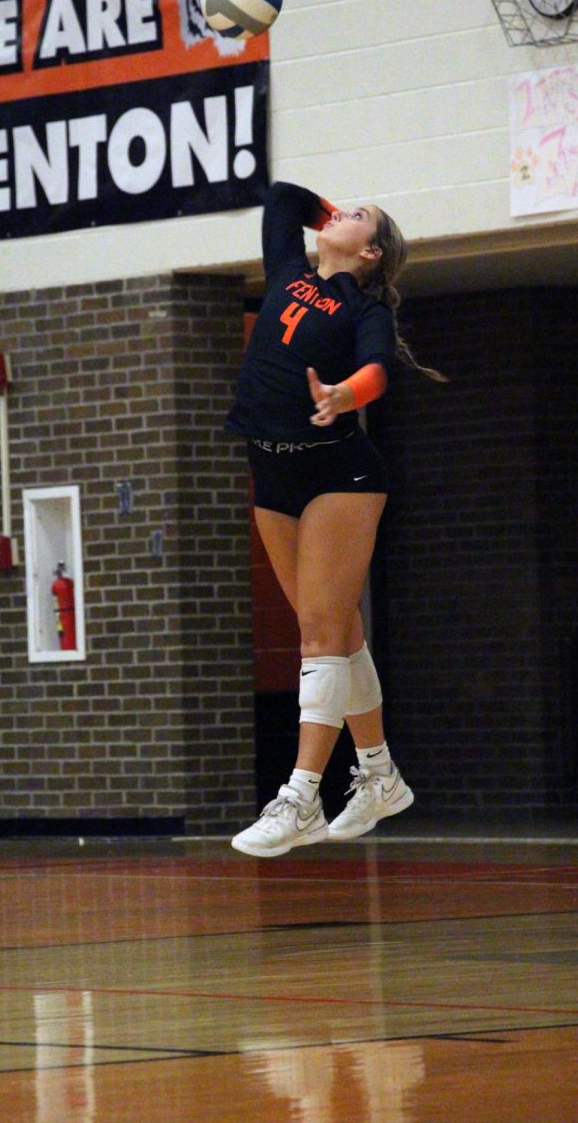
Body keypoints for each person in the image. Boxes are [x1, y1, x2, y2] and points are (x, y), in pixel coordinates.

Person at [225, 181, 444, 857]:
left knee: (319, 632)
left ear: (372, 251)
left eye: (359, 217)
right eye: (343, 210)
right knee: (338, 630)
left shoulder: (364, 306)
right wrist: (333, 220)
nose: (342, 213)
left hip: (339, 474)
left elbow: (378, 372)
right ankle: (378, 774)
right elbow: (283, 197)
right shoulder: (288, 271)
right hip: (273, 472)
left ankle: (301, 796)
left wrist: (345, 393)